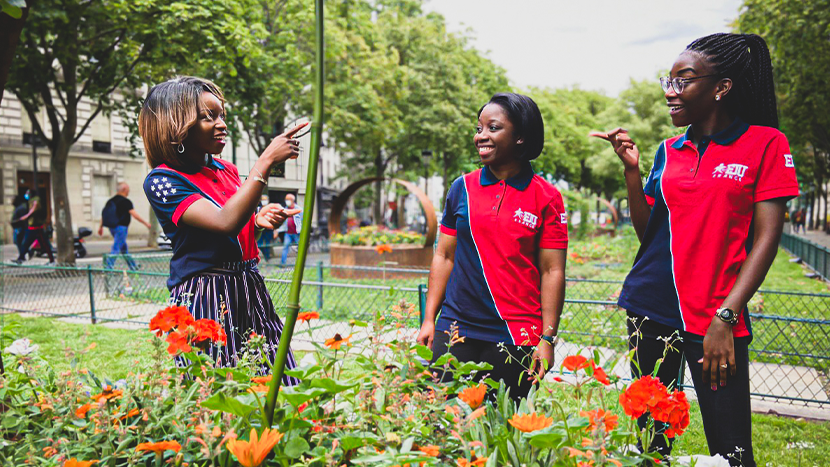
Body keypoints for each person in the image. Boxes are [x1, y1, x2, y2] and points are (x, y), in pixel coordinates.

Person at [591, 33, 798, 467]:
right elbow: (650, 232)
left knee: (732, 448)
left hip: (716, 317)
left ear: (721, 87)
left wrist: (727, 315)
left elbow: (767, 238)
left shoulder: (766, 145)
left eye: (683, 80)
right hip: (649, 307)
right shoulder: (668, 151)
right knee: (652, 442)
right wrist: (632, 174)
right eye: (668, 80)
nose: (670, 90)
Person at [139, 76, 306, 382]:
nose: (221, 124)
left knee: (277, 373)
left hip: (248, 283)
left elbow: (235, 229)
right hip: (206, 291)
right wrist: (266, 160)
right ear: (176, 125)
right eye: (208, 117)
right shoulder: (162, 180)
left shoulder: (225, 169)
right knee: (215, 382)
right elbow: (223, 222)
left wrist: (256, 223)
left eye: (221, 116)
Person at [416, 92, 568, 402]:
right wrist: (430, 319)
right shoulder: (462, 188)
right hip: (455, 326)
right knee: (440, 423)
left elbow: (552, 270)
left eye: (493, 128)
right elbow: (444, 255)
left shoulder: (547, 197)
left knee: (502, 432)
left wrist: (547, 338)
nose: (481, 136)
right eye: (479, 128)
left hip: (517, 333)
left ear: (521, 137)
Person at [99, 182, 152, 270]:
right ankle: (108, 268)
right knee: (116, 248)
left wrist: (100, 227)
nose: (128, 192)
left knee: (124, 249)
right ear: (124, 190)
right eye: (128, 190)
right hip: (121, 228)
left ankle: (133, 266)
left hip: (112, 227)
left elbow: (104, 214)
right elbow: (134, 215)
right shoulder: (126, 201)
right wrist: (146, 223)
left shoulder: (110, 201)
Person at [14, 188, 54, 264]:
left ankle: (51, 260)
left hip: (37, 228)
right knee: (25, 244)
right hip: (32, 227)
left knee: (45, 244)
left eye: (28, 193)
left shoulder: (36, 199)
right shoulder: (30, 201)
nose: (26, 194)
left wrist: (26, 216)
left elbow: (34, 208)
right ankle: (21, 258)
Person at [276, 193, 302, 267]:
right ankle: (282, 263)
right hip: (288, 233)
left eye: (288, 199)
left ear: (293, 200)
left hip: (297, 233)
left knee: (300, 248)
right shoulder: (285, 209)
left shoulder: (299, 209)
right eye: (286, 199)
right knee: (285, 247)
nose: (287, 201)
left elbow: (303, 220)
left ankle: (300, 263)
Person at [10, 194, 28, 259]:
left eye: (13, 200)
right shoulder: (17, 208)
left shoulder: (21, 208)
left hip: (20, 228)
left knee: (19, 242)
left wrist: (14, 222)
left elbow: (22, 219)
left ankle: (23, 255)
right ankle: (22, 256)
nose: (11, 201)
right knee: (17, 242)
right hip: (17, 228)